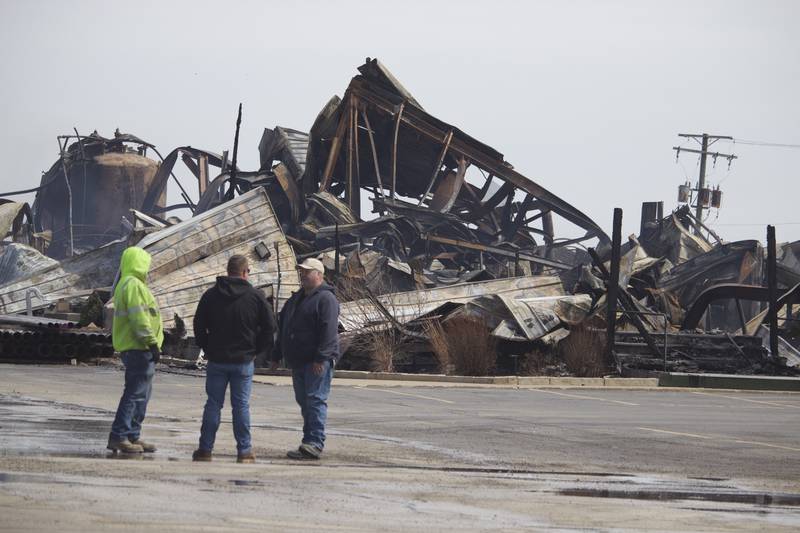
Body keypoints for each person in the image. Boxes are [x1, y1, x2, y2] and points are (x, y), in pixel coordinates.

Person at [192, 255, 276, 463]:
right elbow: (270, 327)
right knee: (241, 406)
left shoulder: (211, 295)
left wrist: (207, 347)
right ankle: (244, 452)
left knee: (213, 404)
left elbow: (198, 325)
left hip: (217, 360)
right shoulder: (255, 297)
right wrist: (257, 350)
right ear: (246, 272)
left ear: (227, 271)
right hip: (243, 361)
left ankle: (205, 449)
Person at [272, 257, 340, 460]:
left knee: (315, 400)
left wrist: (321, 358)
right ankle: (308, 440)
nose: (303, 274)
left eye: (307, 271)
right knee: (304, 401)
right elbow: (283, 328)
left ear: (319, 275)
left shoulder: (326, 299)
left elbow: (329, 332)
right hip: (298, 361)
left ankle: (314, 443)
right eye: (301, 271)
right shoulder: (296, 299)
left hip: (316, 362)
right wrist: (276, 355)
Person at [108, 246, 163, 454]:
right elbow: (139, 318)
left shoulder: (129, 284)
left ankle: (132, 434)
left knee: (141, 394)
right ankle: (120, 436)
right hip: (139, 348)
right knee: (134, 393)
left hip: (138, 348)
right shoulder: (133, 285)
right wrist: (151, 342)